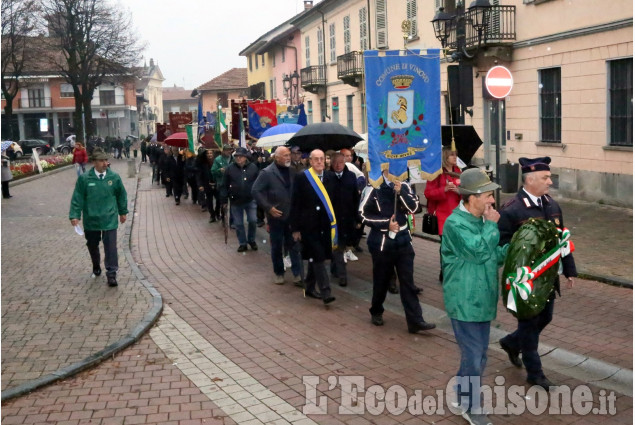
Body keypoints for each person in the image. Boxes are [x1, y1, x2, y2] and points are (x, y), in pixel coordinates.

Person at [497, 157, 577, 391]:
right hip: (526, 280)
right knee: (530, 325)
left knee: (545, 317)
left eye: (549, 177)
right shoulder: (512, 210)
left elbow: (563, 239)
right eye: (545, 178)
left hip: (548, 277)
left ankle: (511, 342)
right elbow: (501, 244)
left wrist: (569, 269)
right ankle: (535, 373)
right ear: (530, 179)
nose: (550, 182)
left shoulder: (552, 205)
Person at [441, 168, 506, 425]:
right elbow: (478, 251)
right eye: (488, 195)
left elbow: (493, 256)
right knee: (475, 356)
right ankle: (471, 406)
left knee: (476, 355)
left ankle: (460, 393)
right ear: (471, 197)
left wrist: (517, 250)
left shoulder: (481, 222)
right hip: (464, 300)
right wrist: (491, 227)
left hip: (483, 299)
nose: (492, 200)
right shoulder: (454, 223)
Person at [359, 168, 435, 333]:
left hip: (403, 242)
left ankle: (415, 320)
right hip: (382, 243)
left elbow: (415, 208)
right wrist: (386, 223)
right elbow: (363, 214)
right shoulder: (373, 187)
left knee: (407, 282)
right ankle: (376, 310)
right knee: (381, 281)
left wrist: (401, 193)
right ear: (384, 168)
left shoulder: (405, 186)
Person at [69, 148, 128, 287]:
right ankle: (96, 265)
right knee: (92, 244)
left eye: (106, 160)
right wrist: (75, 215)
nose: (105, 163)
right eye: (101, 161)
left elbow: (121, 195)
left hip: (109, 218)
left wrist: (123, 212)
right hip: (92, 218)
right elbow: (78, 198)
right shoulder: (84, 179)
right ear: (94, 162)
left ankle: (112, 273)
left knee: (110, 247)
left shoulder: (114, 178)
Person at [290, 149, 337, 305]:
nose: (319, 162)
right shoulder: (302, 178)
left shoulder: (330, 177)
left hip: (326, 225)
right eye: (315, 159)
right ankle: (326, 292)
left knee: (314, 257)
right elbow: (295, 203)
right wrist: (295, 228)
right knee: (319, 257)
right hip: (309, 226)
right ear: (310, 161)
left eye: (321, 159)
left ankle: (309, 287)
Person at [252, 146, 303, 285]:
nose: (288, 157)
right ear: (277, 157)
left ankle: (297, 274)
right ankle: (279, 272)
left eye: (289, 155)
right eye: (285, 155)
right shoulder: (267, 172)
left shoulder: (293, 171)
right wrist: (269, 207)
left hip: (291, 215)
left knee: (294, 245)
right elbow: (256, 191)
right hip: (276, 216)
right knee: (277, 245)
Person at [424, 146, 462, 282]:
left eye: (456, 154)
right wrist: (444, 189)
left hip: (458, 215)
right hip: (442, 216)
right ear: (445, 156)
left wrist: (459, 192)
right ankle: (445, 271)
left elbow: (465, 194)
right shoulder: (437, 173)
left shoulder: (458, 171)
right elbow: (428, 193)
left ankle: (454, 269)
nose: (455, 157)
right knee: (446, 245)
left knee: (457, 245)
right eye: (452, 155)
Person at [329, 152, 360, 287]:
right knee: (338, 247)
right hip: (333, 219)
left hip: (347, 218)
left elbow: (355, 198)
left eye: (340, 162)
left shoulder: (350, 176)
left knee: (340, 246)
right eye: (335, 162)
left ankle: (335, 268)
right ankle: (342, 275)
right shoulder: (327, 177)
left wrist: (357, 218)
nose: (338, 165)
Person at [223, 147, 260, 252]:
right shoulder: (230, 168)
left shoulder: (253, 167)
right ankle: (242, 243)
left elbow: (258, 183)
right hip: (236, 201)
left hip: (250, 199)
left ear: (245, 157)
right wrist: (224, 200)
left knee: (253, 220)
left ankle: (251, 240)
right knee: (238, 224)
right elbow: (224, 185)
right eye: (236, 156)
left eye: (241, 156)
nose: (238, 158)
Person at [196, 149, 217, 222]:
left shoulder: (216, 162)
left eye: (211, 153)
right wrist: (200, 185)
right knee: (209, 201)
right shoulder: (203, 164)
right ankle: (212, 215)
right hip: (207, 184)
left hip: (216, 184)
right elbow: (199, 175)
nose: (209, 154)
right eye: (208, 153)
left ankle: (217, 212)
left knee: (219, 200)